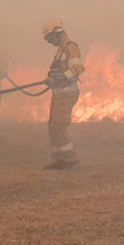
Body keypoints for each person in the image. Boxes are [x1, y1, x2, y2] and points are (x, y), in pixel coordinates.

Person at [42, 20, 85, 170]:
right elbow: (58, 71)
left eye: (50, 38)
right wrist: (52, 79)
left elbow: (77, 68)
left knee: (59, 125)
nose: (50, 42)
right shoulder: (61, 49)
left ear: (56, 33)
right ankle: (60, 160)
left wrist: (61, 77)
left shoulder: (70, 47)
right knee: (53, 126)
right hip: (59, 92)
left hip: (67, 93)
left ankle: (70, 159)